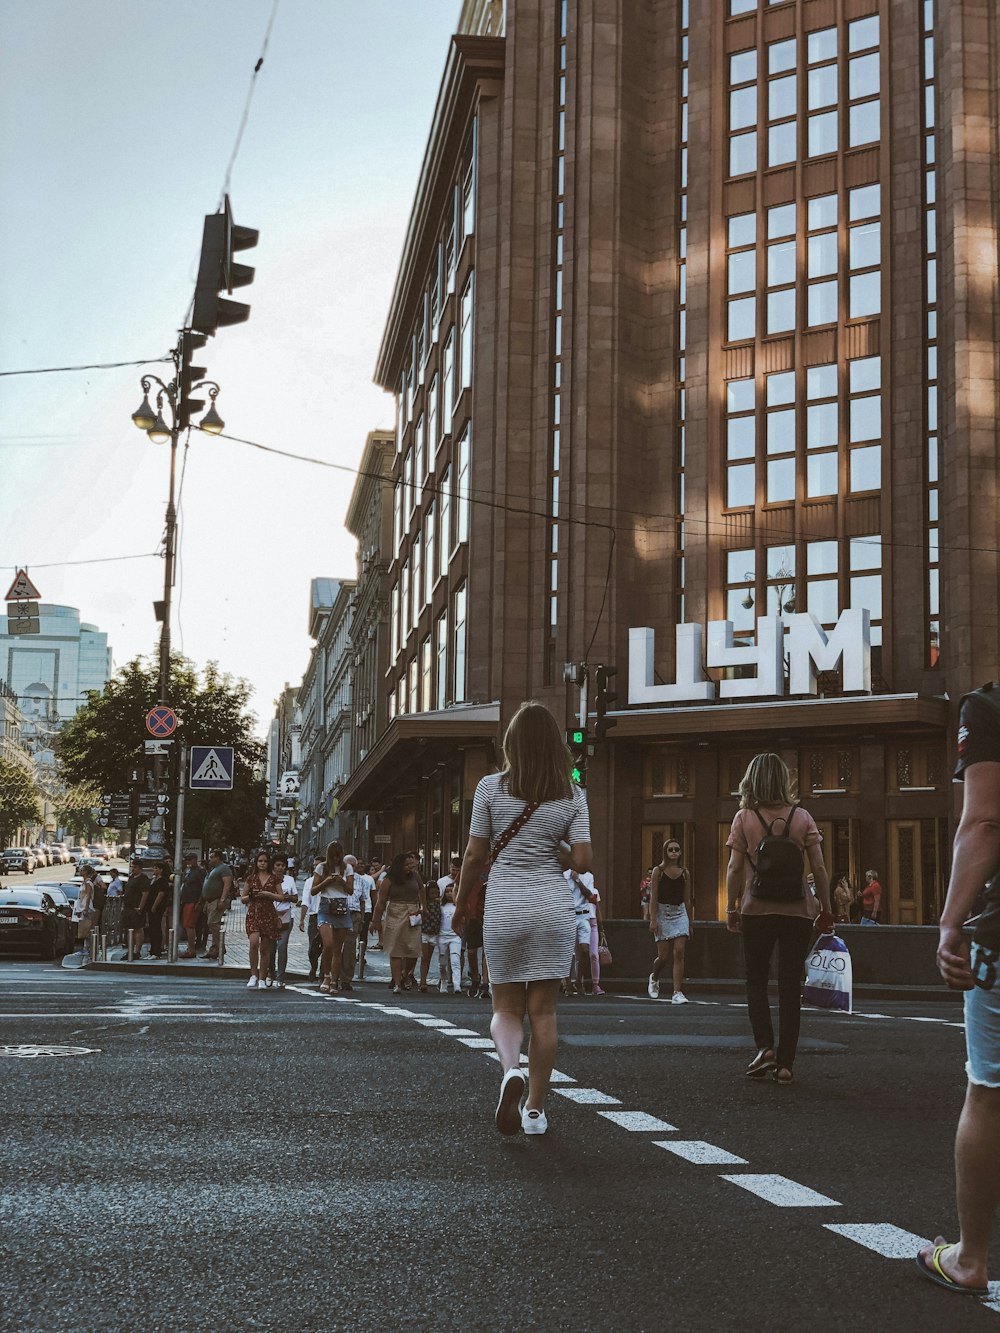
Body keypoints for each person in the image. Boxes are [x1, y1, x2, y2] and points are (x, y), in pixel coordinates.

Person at [453, 700, 592, 1137]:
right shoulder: (572, 794)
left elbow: (476, 855)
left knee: (505, 1007)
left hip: (506, 904)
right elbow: (584, 860)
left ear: (511, 742)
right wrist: (561, 850)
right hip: (552, 906)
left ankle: (511, 1069)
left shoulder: (490, 788)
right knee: (544, 1013)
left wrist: (460, 904)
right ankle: (534, 1108)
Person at [916, 682, 1000, 1298]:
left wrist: (950, 922)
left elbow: (985, 819)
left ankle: (971, 1258)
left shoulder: (988, 708)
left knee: (989, 1092)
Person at [725, 753, 832, 1085]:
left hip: (757, 910)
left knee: (756, 981)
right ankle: (785, 1064)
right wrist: (826, 909)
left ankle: (764, 1047)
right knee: (789, 985)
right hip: (797, 910)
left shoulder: (744, 818)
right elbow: (819, 869)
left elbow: (733, 868)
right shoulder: (802, 817)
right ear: (784, 780)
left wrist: (731, 907)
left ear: (751, 781)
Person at [647, 838, 694, 1003]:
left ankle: (677, 992)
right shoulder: (657, 871)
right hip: (662, 912)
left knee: (679, 951)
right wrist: (653, 919)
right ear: (666, 852)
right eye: (670, 850)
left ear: (680, 852)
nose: (674, 852)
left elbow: (687, 900)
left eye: (676, 849)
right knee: (664, 956)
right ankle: (655, 976)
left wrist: (690, 921)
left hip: (680, 912)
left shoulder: (685, 873)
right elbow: (654, 897)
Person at [372, 852, 425, 994]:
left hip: (413, 912)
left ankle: (405, 973)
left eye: (411, 864)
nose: (409, 867)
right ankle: (397, 983)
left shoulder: (415, 876)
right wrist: (375, 921)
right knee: (395, 949)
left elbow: (421, 889)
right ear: (399, 866)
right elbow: (381, 902)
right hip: (395, 911)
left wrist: (423, 907)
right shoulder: (389, 880)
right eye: (406, 865)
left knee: (413, 949)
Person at [312, 840, 355, 994]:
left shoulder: (348, 868)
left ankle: (334, 981)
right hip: (325, 906)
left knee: (338, 948)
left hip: (341, 907)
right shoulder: (321, 867)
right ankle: (326, 976)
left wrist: (341, 881)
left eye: (339, 856)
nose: (336, 859)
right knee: (328, 944)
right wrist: (327, 881)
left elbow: (350, 890)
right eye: (333, 856)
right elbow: (313, 890)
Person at [241, 849, 282, 990]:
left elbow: (281, 896)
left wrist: (269, 894)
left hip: (268, 913)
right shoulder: (251, 878)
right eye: (260, 861)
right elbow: (243, 898)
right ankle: (253, 974)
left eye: (265, 861)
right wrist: (252, 896)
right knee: (253, 943)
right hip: (254, 912)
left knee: (265, 948)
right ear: (256, 862)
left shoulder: (274, 878)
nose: (262, 863)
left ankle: (262, 978)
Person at [564, 857, 605, 997]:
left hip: (584, 916)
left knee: (584, 950)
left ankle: (579, 981)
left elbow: (590, 896)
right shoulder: (564, 876)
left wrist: (577, 880)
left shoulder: (588, 876)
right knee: (567, 953)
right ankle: (568, 984)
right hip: (569, 915)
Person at [269, 853, 298, 988]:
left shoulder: (289, 880)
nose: (280, 868)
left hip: (285, 916)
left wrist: (286, 897)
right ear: (273, 866)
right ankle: (270, 974)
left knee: (282, 946)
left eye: (282, 865)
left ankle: (280, 977)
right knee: (270, 947)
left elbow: (295, 898)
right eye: (277, 865)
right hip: (269, 916)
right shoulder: (268, 879)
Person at [199, 849, 234, 960]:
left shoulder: (224, 868)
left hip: (217, 900)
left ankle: (220, 947)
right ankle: (215, 949)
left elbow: (227, 885)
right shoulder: (213, 869)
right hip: (210, 901)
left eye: (212, 857)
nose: (210, 859)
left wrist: (222, 900)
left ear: (217, 858)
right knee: (211, 924)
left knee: (212, 923)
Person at [298, 860, 324, 981]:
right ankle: (314, 967)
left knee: (326, 946)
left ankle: (324, 973)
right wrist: (302, 919)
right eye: (314, 865)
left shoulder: (329, 880)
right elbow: (305, 901)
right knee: (312, 947)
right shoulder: (309, 882)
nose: (316, 868)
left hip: (327, 916)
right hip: (314, 916)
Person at [178, 852, 205, 958]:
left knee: (189, 925)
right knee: (187, 925)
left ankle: (192, 950)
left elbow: (204, 887)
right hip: (186, 901)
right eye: (187, 860)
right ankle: (190, 948)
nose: (188, 862)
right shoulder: (188, 871)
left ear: (195, 859)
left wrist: (200, 902)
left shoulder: (199, 871)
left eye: (190, 859)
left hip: (193, 901)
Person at [437, 884, 462, 994]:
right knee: (442, 962)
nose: (449, 894)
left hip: (455, 936)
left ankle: (457, 984)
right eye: (447, 892)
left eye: (451, 891)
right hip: (442, 936)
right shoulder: (441, 906)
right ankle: (443, 981)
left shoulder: (459, 906)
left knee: (455, 960)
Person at [123, 858, 150, 959]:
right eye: (132, 867)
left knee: (138, 929)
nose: (132, 869)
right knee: (129, 929)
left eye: (135, 867)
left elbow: (145, 894)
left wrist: (140, 907)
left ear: (140, 868)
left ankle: (136, 951)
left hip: (136, 908)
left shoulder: (143, 879)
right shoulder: (131, 878)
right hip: (128, 907)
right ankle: (130, 950)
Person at [354, 857, 376, 980]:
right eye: (358, 864)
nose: (360, 865)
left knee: (363, 934)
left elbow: (374, 896)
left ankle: (361, 955)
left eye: (362, 863)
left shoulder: (369, 879)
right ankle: (351, 953)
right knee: (352, 933)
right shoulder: (352, 878)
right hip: (355, 908)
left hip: (366, 909)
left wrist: (374, 911)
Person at [419, 881, 443, 992]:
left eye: (435, 893)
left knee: (428, 958)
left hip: (434, 933)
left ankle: (424, 980)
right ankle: (423, 982)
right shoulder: (425, 904)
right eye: (431, 893)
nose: (434, 895)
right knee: (424, 957)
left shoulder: (440, 903)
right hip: (424, 932)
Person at [145, 862, 170, 959]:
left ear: (161, 870)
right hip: (150, 906)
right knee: (152, 928)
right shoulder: (154, 880)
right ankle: (152, 950)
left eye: (156, 868)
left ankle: (157, 951)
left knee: (156, 928)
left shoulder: (162, 881)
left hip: (157, 908)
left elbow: (160, 894)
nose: (154, 870)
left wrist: (154, 906)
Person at [72, 864, 97, 955]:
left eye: (82, 870)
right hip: (82, 907)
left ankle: (87, 948)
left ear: (86, 872)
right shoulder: (84, 882)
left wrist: (85, 908)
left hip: (87, 907)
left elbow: (88, 896)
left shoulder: (88, 883)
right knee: (84, 928)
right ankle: (85, 948)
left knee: (86, 928)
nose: (80, 871)